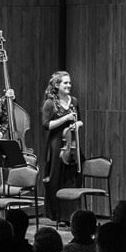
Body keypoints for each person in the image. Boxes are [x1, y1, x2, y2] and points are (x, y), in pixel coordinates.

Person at [41, 71, 83, 223]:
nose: (68, 85)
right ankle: (57, 215)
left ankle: (71, 215)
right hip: (56, 144)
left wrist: (77, 124)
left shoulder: (74, 101)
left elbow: (80, 120)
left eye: (69, 82)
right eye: (65, 83)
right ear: (57, 85)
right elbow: (46, 125)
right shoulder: (50, 103)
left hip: (72, 144)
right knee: (56, 179)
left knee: (72, 178)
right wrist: (66, 118)